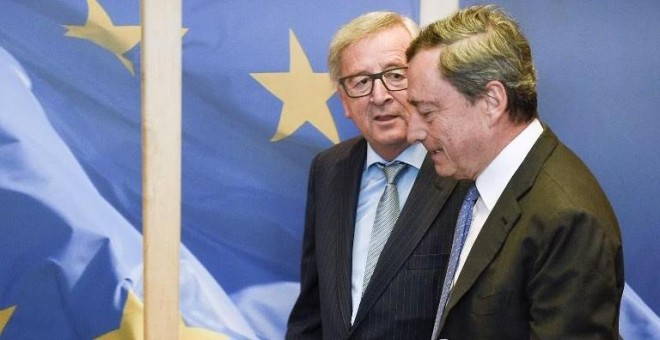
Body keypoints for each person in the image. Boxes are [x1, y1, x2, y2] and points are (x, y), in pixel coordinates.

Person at [405, 5, 624, 339]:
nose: (414, 132)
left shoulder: (568, 220)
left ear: (492, 101)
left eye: (428, 112)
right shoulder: (469, 179)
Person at [286, 11, 467, 339]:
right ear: (344, 100)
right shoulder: (328, 170)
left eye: (396, 75)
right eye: (361, 82)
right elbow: (312, 308)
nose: (379, 96)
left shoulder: (462, 170)